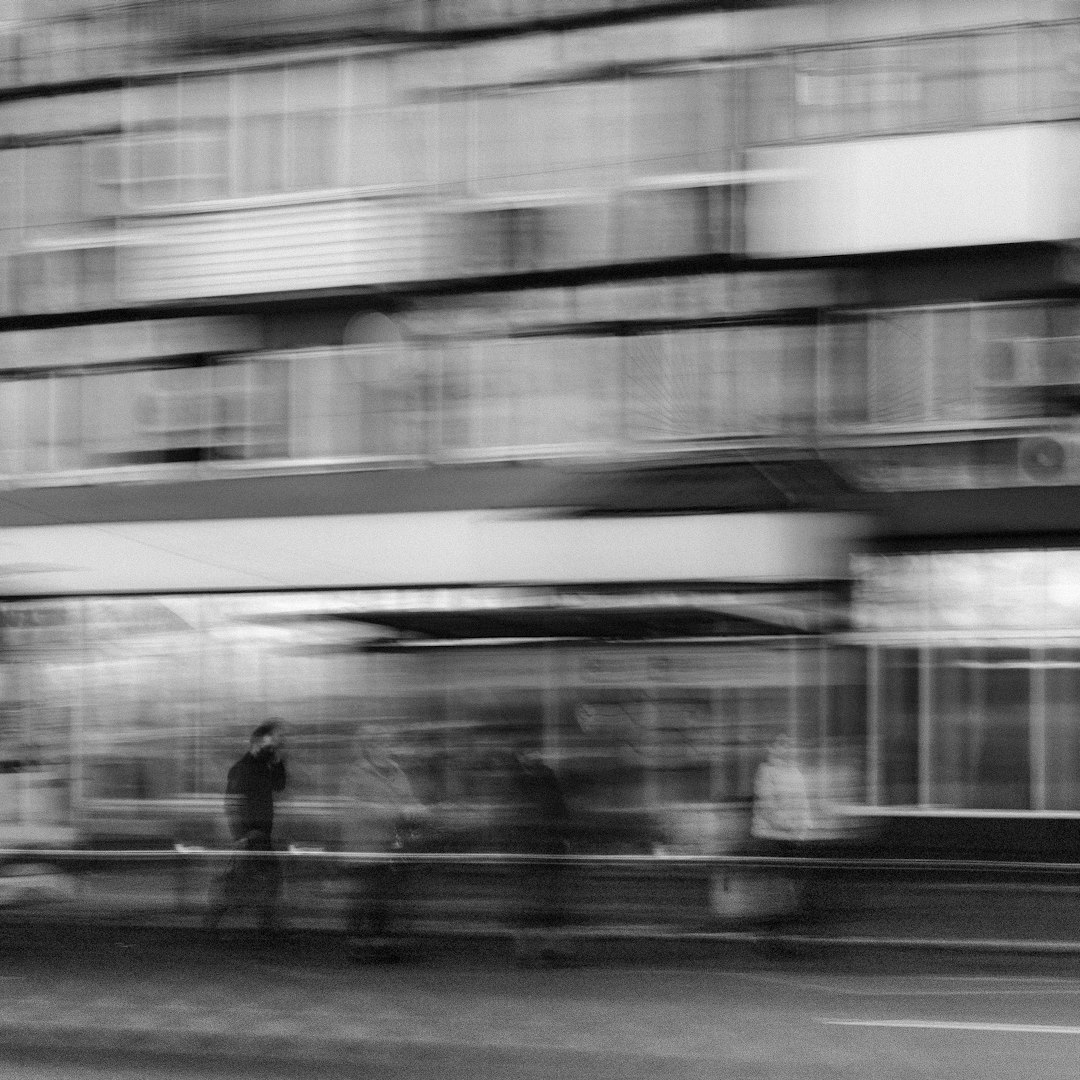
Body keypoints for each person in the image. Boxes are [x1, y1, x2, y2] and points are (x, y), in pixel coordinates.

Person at [340, 741, 425, 961]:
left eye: (387, 744)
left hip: (388, 847)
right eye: (378, 745)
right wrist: (391, 811)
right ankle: (357, 948)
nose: (384, 749)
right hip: (362, 846)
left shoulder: (397, 773)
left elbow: (408, 799)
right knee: (362, 900)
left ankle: (380, 948)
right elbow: (352, 807)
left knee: (382, 899)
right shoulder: (356, 773)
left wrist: (416, 809)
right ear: (369, 749)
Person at [205, 720, 287, 939]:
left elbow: (280, 785)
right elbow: (231, 804)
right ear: (258, 742)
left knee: (248, 880)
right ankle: (266, 926)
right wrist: (240, 836)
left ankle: (219, 919)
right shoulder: (242, 769)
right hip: (251, 835)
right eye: (273, 741)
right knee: (264, 877)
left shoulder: (263, 767)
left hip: (261, 833)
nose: (277, 745)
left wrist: (277, 760)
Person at [506, 747, 571, 968]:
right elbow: (561, 813)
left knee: (533, 901)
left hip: (534, 850)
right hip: (544, 849)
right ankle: (544, 949)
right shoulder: (546, 779)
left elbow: (516, 815)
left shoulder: (521, 781)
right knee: (546, 901)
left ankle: (530, 950)